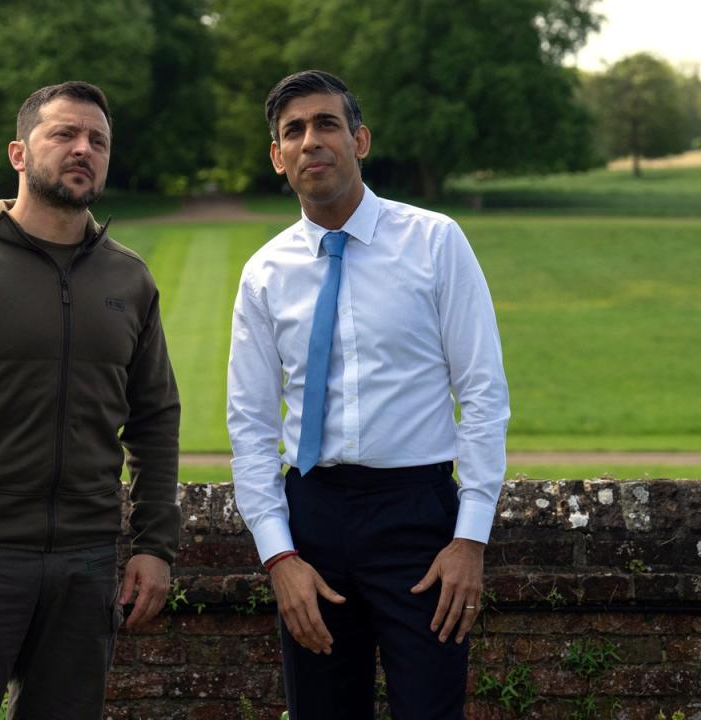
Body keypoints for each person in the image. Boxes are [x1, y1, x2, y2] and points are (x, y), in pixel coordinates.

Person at [0, 81, 181, 720]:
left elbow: (154, 421)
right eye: (64, 134)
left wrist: (155, 545)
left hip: (87, 562)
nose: (83, 149)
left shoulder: (128, 277)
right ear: (19, 153)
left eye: (98, 140)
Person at [227, 70, 509, 719]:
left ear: (360, 139)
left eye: (326, 124)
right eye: (292, 131)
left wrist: (470, 539)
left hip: (417, 519)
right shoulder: (265, 273)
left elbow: (484, 393)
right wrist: (279, 556)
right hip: (314, 520)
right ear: (277, 156)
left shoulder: (435, 242)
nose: (310, 142)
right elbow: (248, 424)